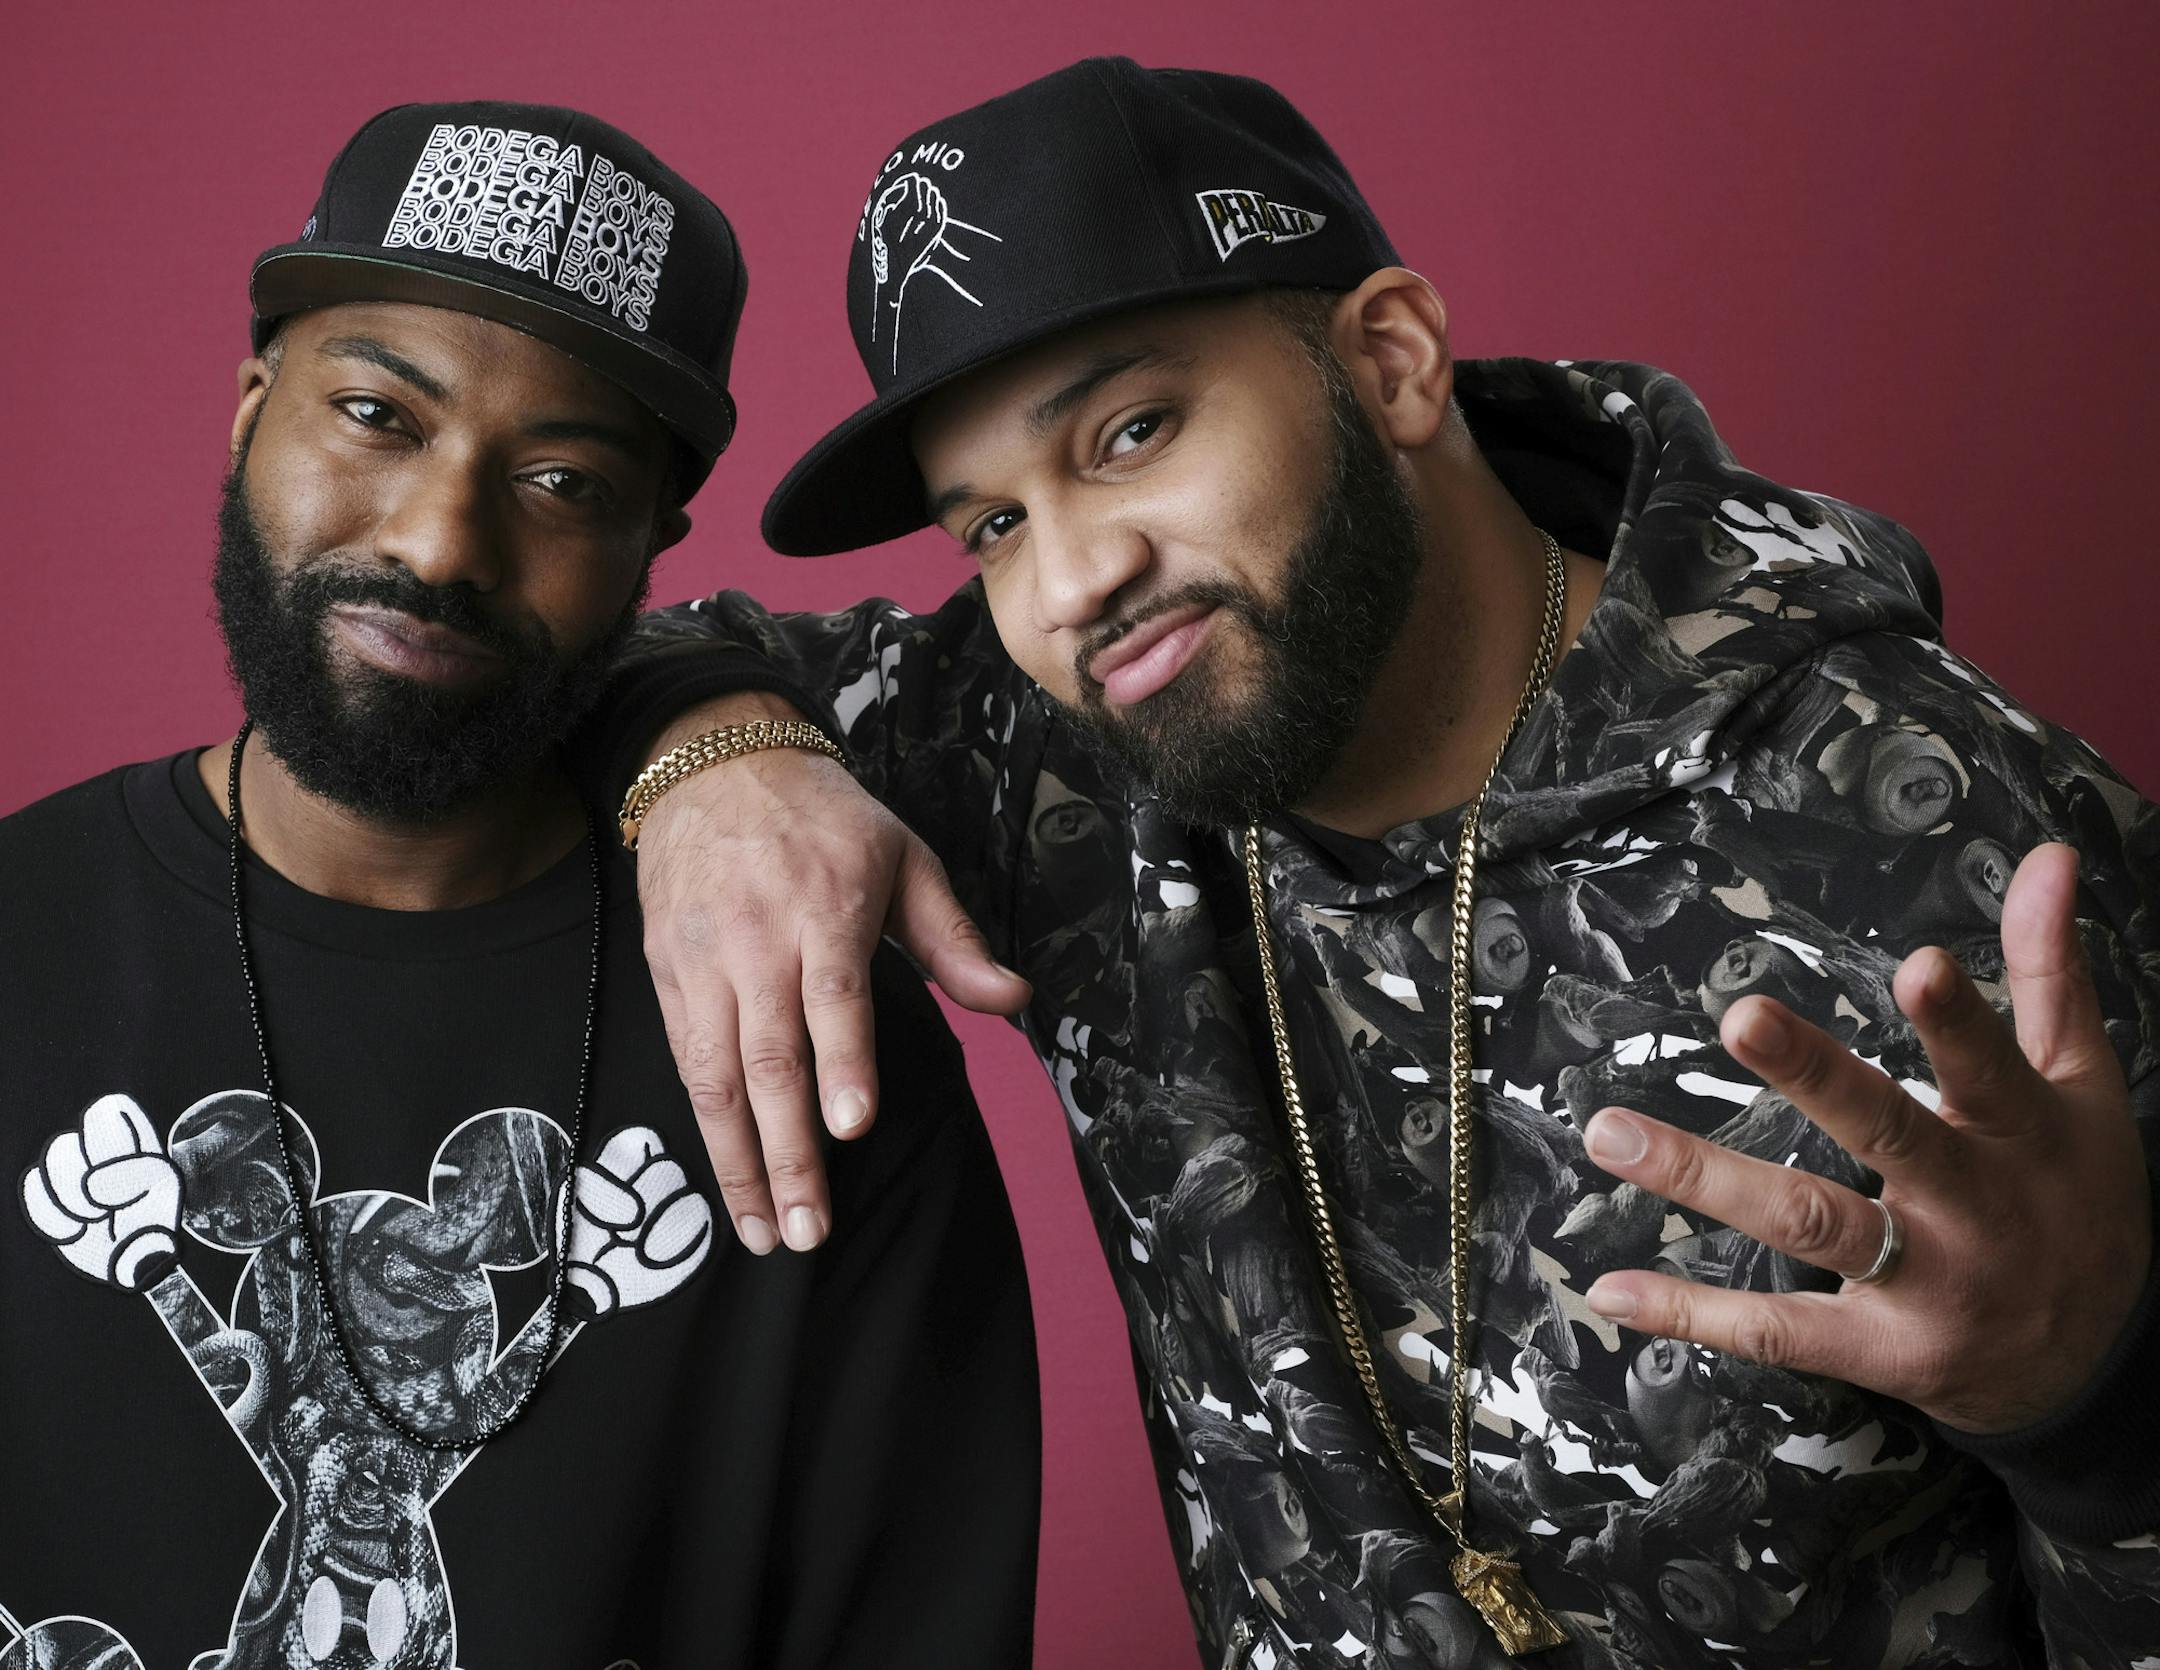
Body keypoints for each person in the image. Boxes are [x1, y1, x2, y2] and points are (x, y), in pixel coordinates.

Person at [599, 59, 2159, 1667]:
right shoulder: (1069, 742)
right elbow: (581, 656)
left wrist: (2094, 1412)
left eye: (1133, 431)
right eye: (988, 523)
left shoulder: (1956, 839)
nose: (1072, 577)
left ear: (1394, 361)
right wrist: (718, 760)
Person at [0, 100, 1037, 1670]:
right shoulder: (21, 936)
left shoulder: (809, 1031)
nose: (438, 541)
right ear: (248, 411)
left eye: (559, 481)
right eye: (376, 414)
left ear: (653, 548)